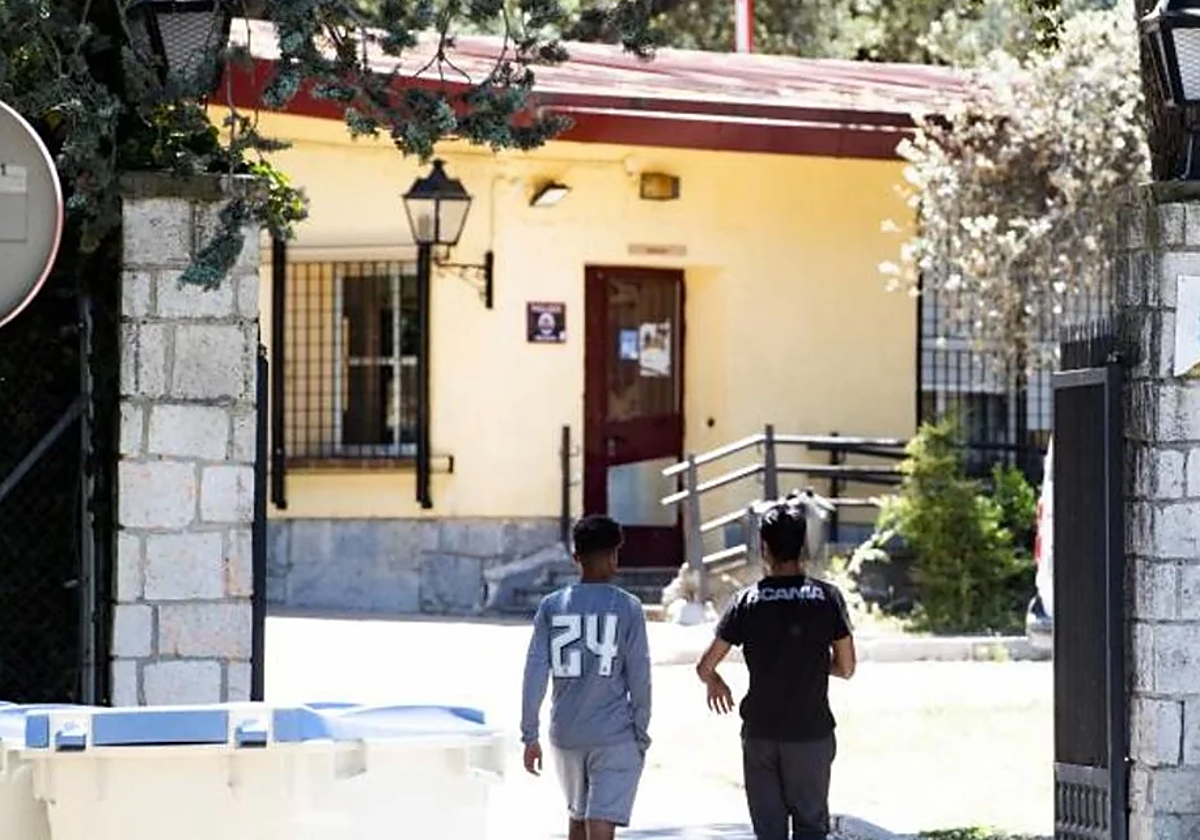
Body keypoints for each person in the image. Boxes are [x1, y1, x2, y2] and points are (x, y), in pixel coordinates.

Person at [695, 492, 857, 840]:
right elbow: (846, 667)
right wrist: (812, 662)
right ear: (803, 547)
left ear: (764, 547)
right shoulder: (827, 597)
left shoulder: (747, 600)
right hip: (811, 734)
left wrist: (715, 682)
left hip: (761, 735)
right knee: (811, 829)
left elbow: (705, 666)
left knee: (769, 833)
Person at [521, 515, 653, 840]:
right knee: (602, 821)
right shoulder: (628, 608)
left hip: (566, 734)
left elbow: (535, 672)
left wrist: (530, 734)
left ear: (575, 557)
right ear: (614, 557)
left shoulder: (552, 607)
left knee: (577, 817)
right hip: (614, 734)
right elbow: (640, 677)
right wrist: (640, 732)